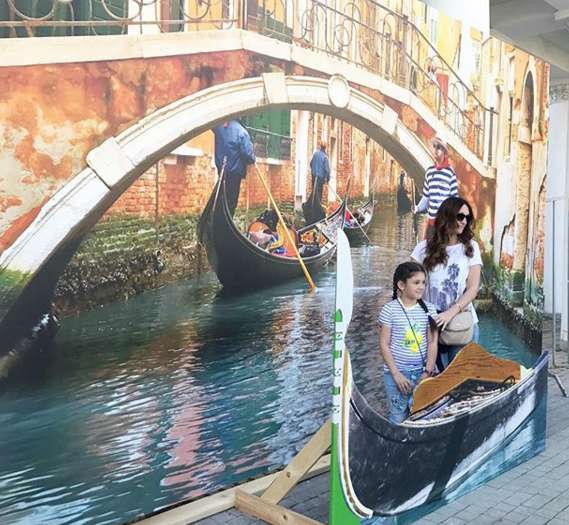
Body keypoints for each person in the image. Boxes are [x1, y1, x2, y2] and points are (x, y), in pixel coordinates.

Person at [411, 197, 482, 370]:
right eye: (460, 216)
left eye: (467, 217)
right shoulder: (422, 249)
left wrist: (450, 313)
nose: (464, 221)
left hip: (460, 325)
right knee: (432, 378)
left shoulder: (471, 248)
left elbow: (473, 288)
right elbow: (410, 287)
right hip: (430, 325)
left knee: (459, 378)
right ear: (447, 216)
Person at [378, 261, 439, 424]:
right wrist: (396, 374)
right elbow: (384, 344)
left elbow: (433, 342)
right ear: (401, 285)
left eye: (423, 283)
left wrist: (428, 372)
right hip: (396, 374)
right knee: (397, 416)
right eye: (416, 282)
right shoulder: (389, 310)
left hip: (422, 372)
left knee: (422, 414)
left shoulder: (429, 310)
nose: (421, 287)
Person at [414, 136, 458, 238]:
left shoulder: (450, 173)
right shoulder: (429, 172)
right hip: (431, 223)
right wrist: (417, 208)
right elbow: (426, 197)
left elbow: (454, 200)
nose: (436, 150)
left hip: (444, 223)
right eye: (435, 146)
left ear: (444, 152)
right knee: (427, 247)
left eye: (439, 147)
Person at [213, 120, 256, 217]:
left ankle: (218, 221)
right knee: (230, 203)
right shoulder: (241, 132)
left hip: (221, 171)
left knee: (220, 201)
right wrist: (253, 157)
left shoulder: (218, 127)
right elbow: (248, 155)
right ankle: (225, 222)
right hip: (234, 173)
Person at [309, 141, 331, 206]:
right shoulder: (325, 157)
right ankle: (317, 206)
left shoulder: (315, 154)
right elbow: (327, 170)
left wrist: (314, 170)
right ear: (325, 148)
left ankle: (313, 205)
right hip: (320, 179)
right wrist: (327, 179)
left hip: (314, 177)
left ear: (320, 146)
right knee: (319, 193)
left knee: (314, 192)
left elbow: (311, 164)